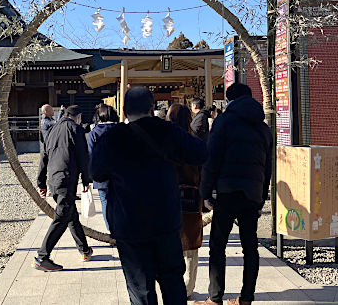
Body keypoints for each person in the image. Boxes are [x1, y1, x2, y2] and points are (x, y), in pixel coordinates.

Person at [91, 87, 207, 305]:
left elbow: (95, 172)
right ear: (152, 107)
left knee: (140, 289)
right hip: (166, 220)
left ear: (124, 111)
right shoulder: (168, 131)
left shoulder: (113, 137)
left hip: (129, 223)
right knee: (173, 283)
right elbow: (201, 152)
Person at [196, 83, 272, 305]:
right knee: (250, 247)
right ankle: (246, 298)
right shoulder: (263, 128)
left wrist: (205, 192)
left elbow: (211, 159)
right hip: (252, 193)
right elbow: (267, 167)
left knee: (218, 246)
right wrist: (261, 197)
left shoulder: (223, 122)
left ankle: (215, 297)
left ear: (230, 100)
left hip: (227, 191)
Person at [32, 105, 93, 272]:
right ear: (77, 117)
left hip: (54, 178)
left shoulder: (52, 130)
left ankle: (85, 250)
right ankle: (42, 257)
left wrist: (41, 183)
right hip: (67, 178)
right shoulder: (76, 129)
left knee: (70, 214)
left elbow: (43, 157)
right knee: (62, 216)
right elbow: (83, 156)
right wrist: (86, 179)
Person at [166, 103, 203, 299]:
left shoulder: (162, 142)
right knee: (190, 243)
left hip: (167, 199)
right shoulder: (193, 141)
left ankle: (171, 285)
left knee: (169, 241)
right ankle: (187, 289)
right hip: (190, 198)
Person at [87, 103, 119, 232]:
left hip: (101, 175)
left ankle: (111, 230)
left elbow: (90, 154)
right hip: (119, 174)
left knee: (105, 203)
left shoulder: (93, 133)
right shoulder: (120, 130)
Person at [37, 104, 58, 198]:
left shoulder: (49, 120)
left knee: (45, 168)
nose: (53, 111)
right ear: (46, 112)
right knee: (47, 168)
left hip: (47, 147)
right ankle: (45, 188)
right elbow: (57, 125)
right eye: (51, 110)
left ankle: (45, 188)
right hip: (47, 148)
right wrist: (61, 112)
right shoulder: (46, 121)